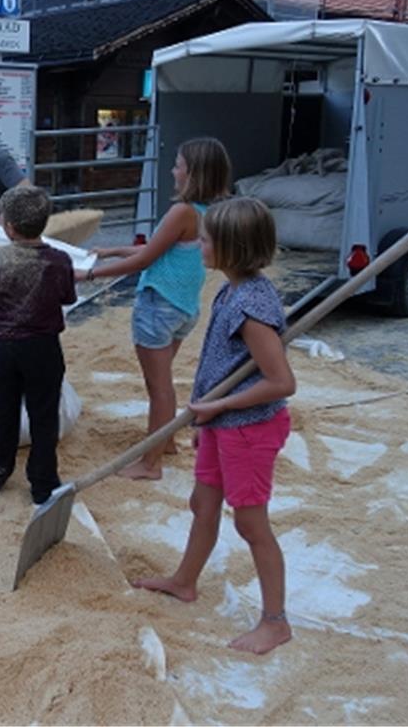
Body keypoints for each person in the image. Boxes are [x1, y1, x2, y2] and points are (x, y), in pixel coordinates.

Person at [133, 197, 296, 656]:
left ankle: (275, 621)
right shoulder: (230, 290)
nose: (198, 243)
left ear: (232, 247)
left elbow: (282, 381)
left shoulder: (252, 306)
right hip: (222, 423)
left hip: (248, 429)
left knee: (251, 524)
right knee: (202, 502)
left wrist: (220, 405)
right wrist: (211, 415)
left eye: (205, 239)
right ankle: (185, 581)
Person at [78, 137, 232, 480]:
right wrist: (113, 251)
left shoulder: (182, 211)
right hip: (183, 309)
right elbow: (159, 251)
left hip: (158, 306)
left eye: (178, 165)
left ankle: (150, 464)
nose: (172, 170)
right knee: (163, 383)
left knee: (158, 386)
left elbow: (146, 259)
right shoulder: (209, 212)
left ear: (192, 174)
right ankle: (167, 441)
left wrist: (90, 274)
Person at [0, 186, 78, 506]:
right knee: (44, 415)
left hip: (4, 346)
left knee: (1, 411)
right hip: (44, 347)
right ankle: (43, 484)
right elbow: (68, 297)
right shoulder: (59, 260)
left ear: (9, 227)